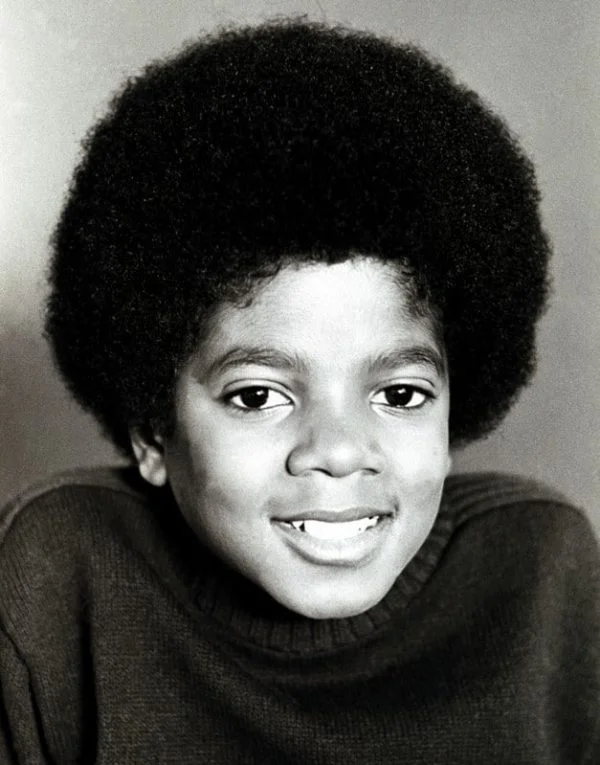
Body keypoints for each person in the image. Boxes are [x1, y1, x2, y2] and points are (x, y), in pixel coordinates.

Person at [0, 19, 597, 764]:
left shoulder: (541, 572)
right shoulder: (61, 572)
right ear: (153, 432)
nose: (339, 451)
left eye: (401, 395)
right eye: (257, 397)